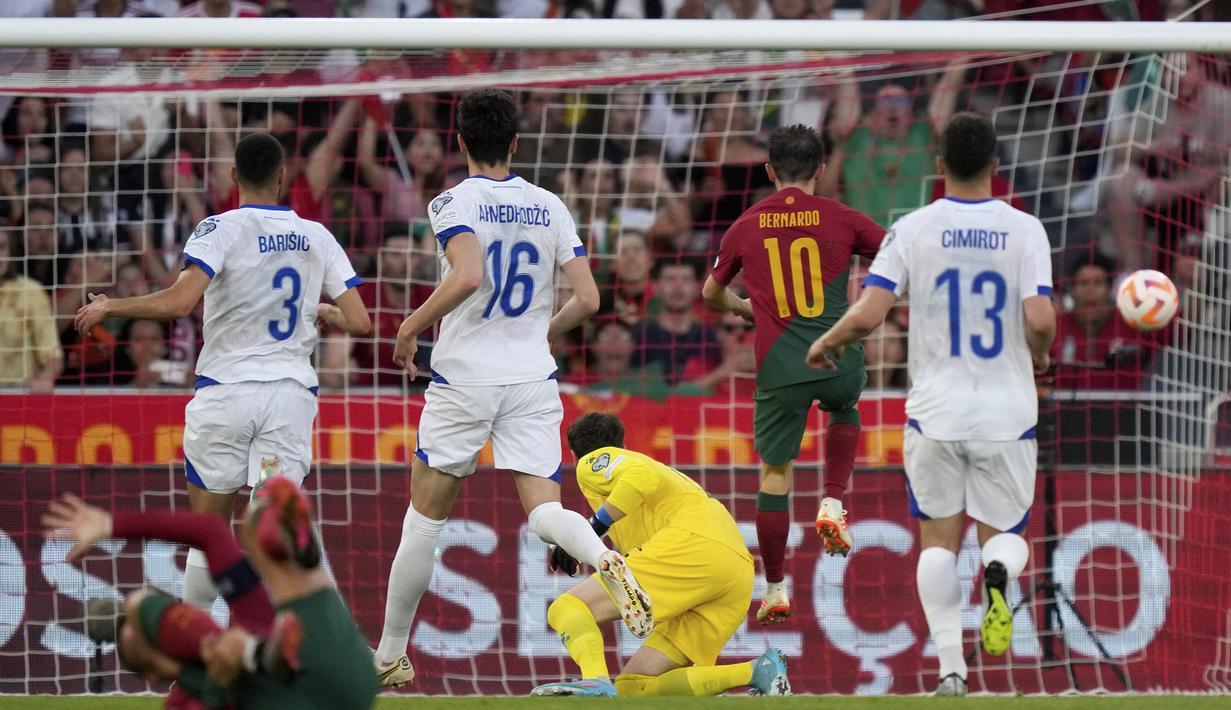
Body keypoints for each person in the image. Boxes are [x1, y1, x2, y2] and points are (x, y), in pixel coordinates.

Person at [374, 89, 652, 687]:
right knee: (545, 511)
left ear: (460, 142)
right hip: (531, 376)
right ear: (516, 144)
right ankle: (604, 558)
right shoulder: (549, 204)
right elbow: (590, 298)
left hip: (464, 377)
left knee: (424, 519)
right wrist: (537, 333)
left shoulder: (452, 201)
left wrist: (409, 326)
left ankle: (390, 654)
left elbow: (469, 274)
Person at [806, 113, 1056, 696]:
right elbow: (1041, 319)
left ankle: (950, 671)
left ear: (938, 166)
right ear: (995, 165)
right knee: (1005, 534)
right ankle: (999, 573)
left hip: (935, 413)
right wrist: (1040, 355)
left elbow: (870, 313)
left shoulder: (912, 228)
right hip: (1006, 413)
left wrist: (827, 343)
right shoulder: (1025, 230)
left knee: (937, 543)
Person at [73, 132, 372, 612]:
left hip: (226, 395)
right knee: (273, 529)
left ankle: (196, 643)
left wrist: (112, 305)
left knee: (209, 532)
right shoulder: (317, 235)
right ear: (282, 177)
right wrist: (326, 311)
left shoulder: (220, 228)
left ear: (234, 176)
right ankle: (287, 642)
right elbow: (359, 321)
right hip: (288, 400)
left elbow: (180, 301)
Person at [701, 124, 885, 624]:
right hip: (837, 358)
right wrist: (870, 301)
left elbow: (711, 293)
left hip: (778, 368)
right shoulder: (842, 217)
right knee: (845, 405)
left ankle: (776, 587)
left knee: (775, 473)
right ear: (821, 170)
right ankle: (833, 501)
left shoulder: (747, 224)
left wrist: (744, 308)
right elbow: (895, 255)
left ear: (769, 171)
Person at [41, 476, 378, 708]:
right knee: (229, 652)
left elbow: (209, 529)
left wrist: (200, 676)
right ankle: (254, 655)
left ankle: (253, 656)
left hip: (287, 681)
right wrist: (111, 525)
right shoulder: (280, 604)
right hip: (352, 671)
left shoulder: (254, 613)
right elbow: (209, 530)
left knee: (223, 655)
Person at [531, 412, 790, 697]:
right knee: (634, 685)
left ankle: (595, 680)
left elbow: (640, 476)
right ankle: (758, 670)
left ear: (573, 455)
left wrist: (593, 528)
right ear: (625, 445)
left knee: (566, 607)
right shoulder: (650, 482)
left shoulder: (592, 463)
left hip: (692, 546)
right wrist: (582, 539)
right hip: (734, 570)